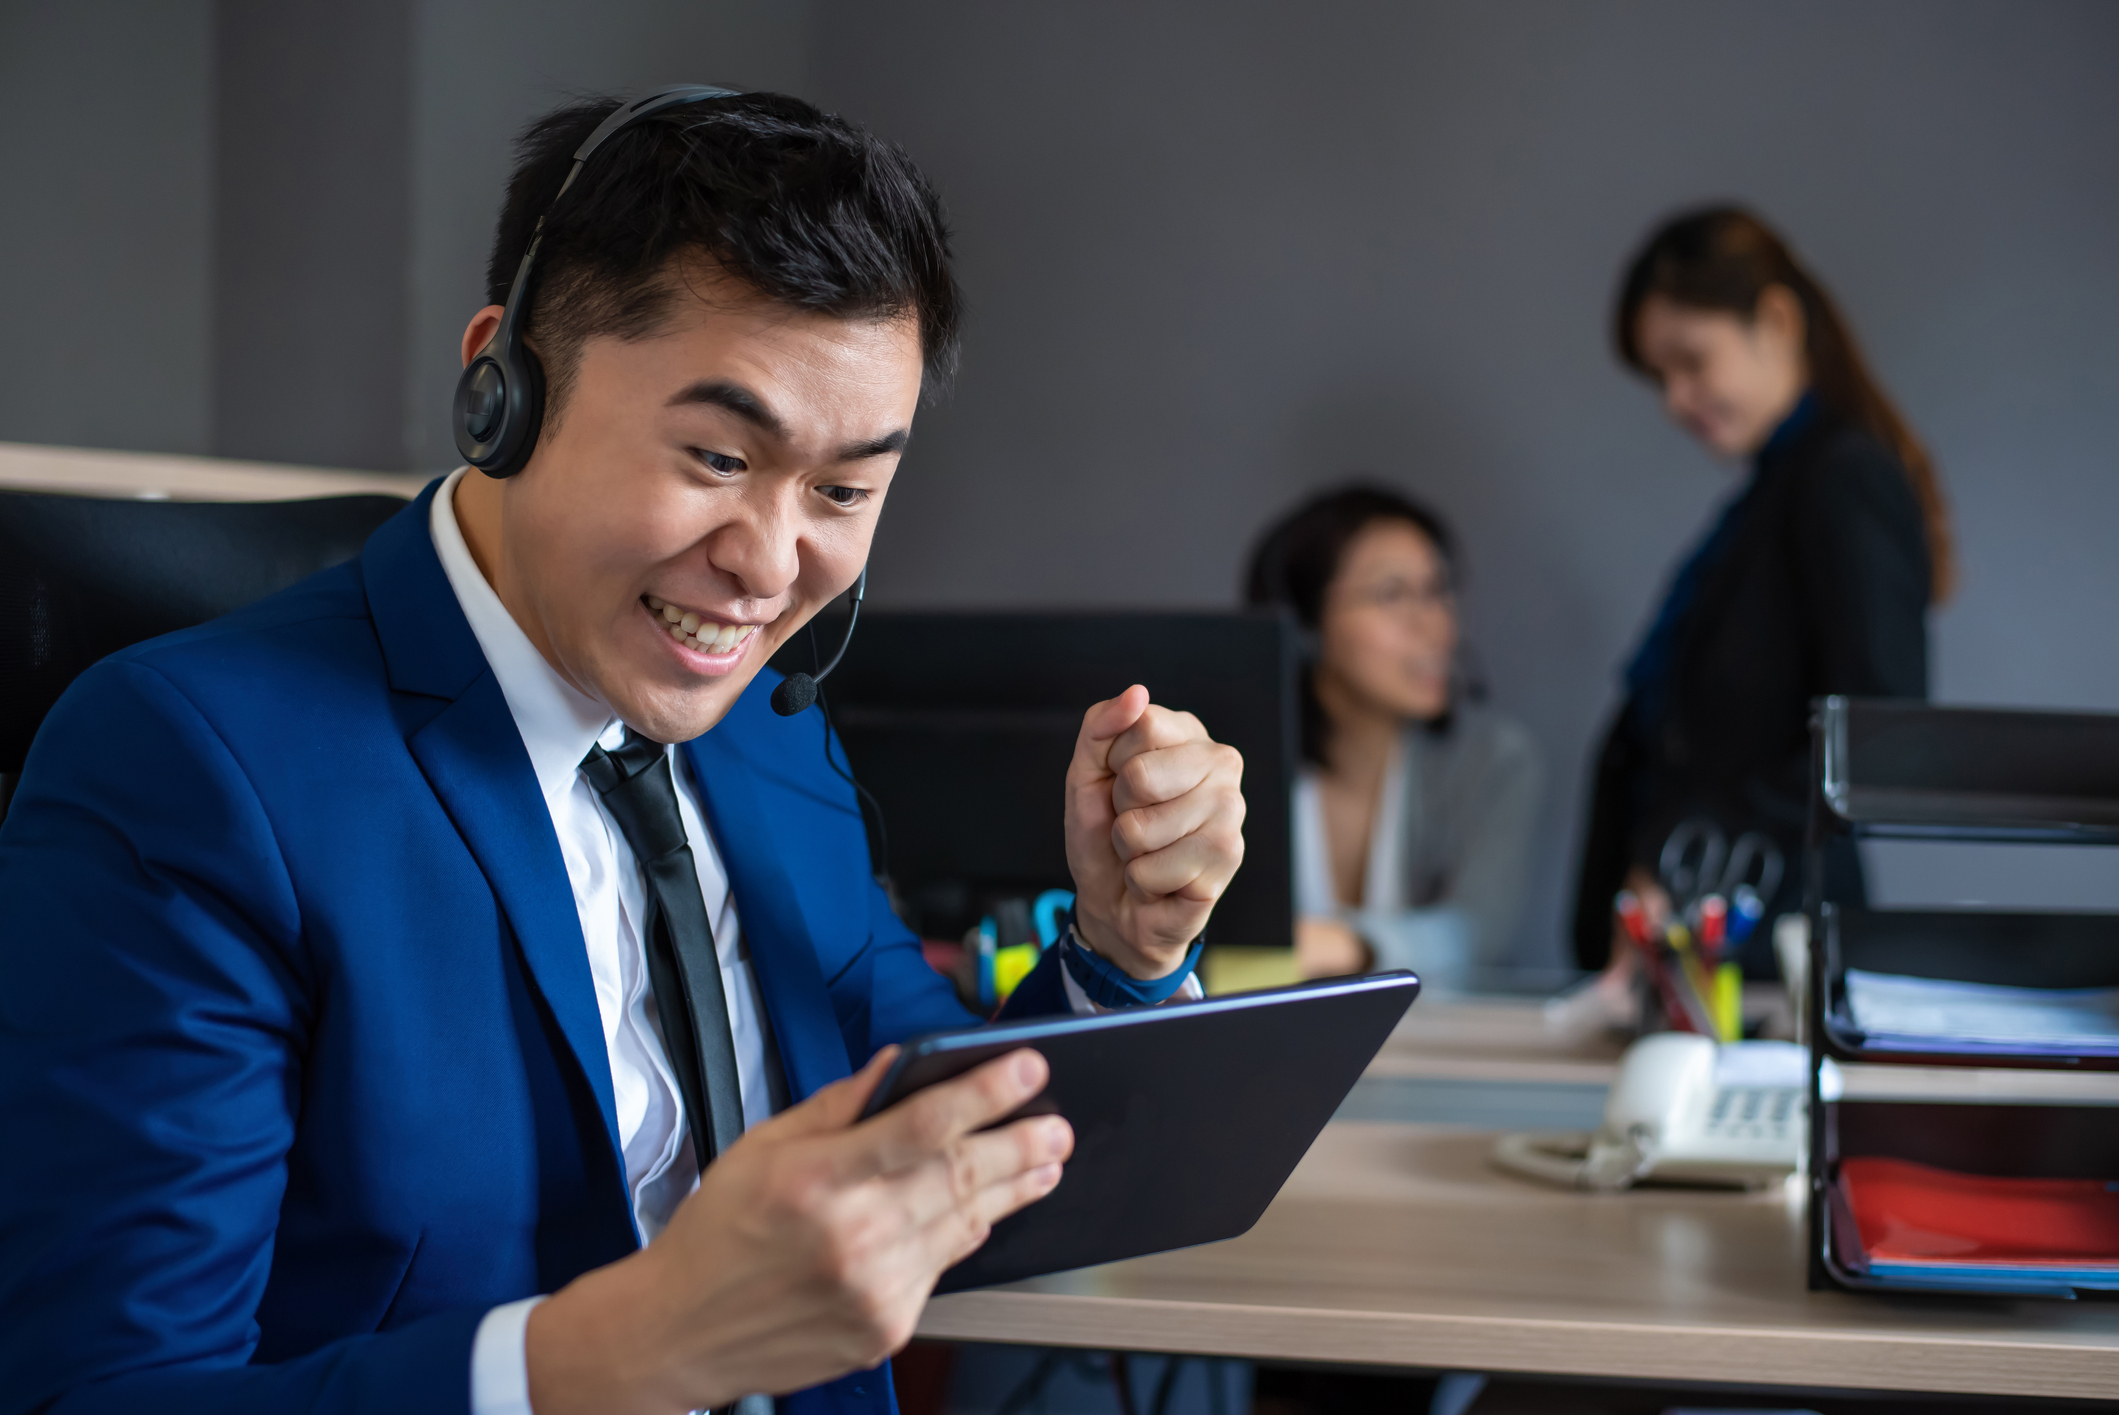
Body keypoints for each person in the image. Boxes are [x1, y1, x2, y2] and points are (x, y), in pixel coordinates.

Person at [0, 90, 1246, 1415]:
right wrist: (609, 1357)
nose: (770, 566)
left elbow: (934, 1169)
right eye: (716, 455)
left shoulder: (773, 740)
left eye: (841, 491)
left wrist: (1120, 953)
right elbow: (101, 1394)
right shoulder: (194, 772)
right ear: (503, 385)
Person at [1571, 205, 1951, 978]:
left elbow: (1878, 731)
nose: (1676, 399)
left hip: (1768, 950)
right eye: (1658, 377)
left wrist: (1690, 855)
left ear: (1775, 321)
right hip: (1706, 947)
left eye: (1691, 361)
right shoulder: (1769, 499)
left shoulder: (1840, 479)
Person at [1246, 486, 1540, 989]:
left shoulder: (1493, 761)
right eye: (1392, 594)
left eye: (1437, 591)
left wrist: (1346, 945)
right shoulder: (1236, 762)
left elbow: (1477, 937)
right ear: (1305, 625)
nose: (1435, 624)